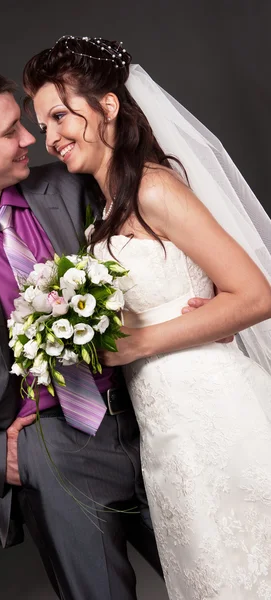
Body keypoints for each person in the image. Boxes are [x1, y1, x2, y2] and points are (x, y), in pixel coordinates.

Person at [0, 64, 222, 600]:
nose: (30, 139)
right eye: (11, 131)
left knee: (221, 580)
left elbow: (159, 207)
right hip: (50, 452)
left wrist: (204, 295)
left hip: (155, 418)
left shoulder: (70, 184)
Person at [23, 35, 271, 599]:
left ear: (108, 105)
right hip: (167, 430)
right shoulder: (105, 207)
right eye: (42, 126)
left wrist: (137, 344)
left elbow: (255, 295)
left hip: (215, 409)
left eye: (60, 115)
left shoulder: (155, 188)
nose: (51, 137)